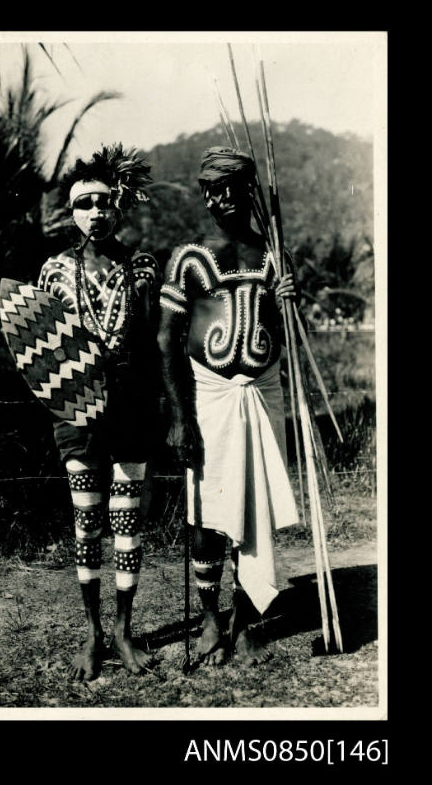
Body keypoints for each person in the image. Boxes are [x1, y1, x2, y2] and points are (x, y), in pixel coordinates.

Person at [157, 146, 301, 666]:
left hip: (263, 392)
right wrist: (179, 417)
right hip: (209, 397)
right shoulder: (190, 257)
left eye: (228, 187)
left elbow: (283, 337)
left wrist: (289, 298)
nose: (217, 198)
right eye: (209, 189)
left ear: (248, 191)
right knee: (206, 513)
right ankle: (212, 621)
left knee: (252, 504)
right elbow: (166, 340)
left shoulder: (274, 257)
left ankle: (245, 621)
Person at [38, 144, 160, 679]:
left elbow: (159, 341)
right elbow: (41, 350)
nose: (96, 213)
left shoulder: (142, 269)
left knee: (127, 523)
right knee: (87, 524)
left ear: (119, 207)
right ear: (73, 211)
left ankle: (124, 630)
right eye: (85, 203)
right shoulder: (54, 271)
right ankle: (91, 632)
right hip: (76, 413)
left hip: (131, 411)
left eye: (105, 203)